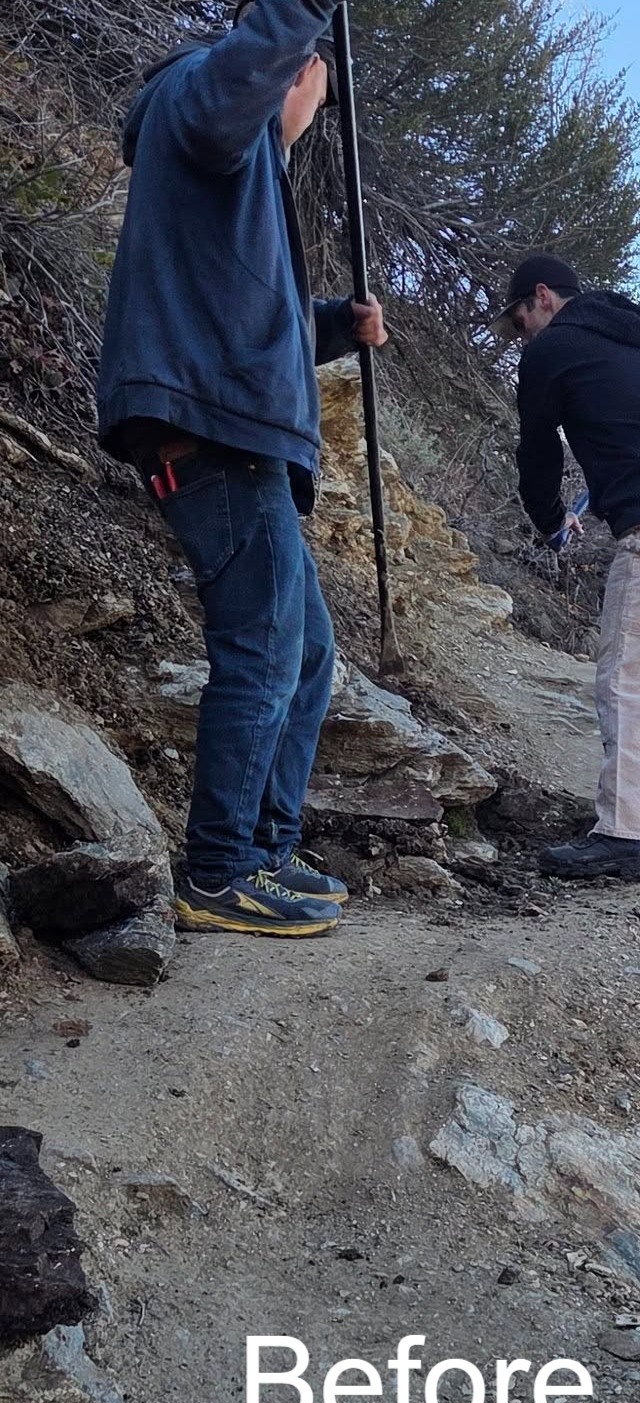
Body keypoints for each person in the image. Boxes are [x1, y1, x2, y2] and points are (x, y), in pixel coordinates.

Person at [96, 0, 388, 936]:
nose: (312, 108)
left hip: (235, 429)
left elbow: (248, 317)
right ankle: (218, 871)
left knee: (305, 652)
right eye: (316, 87)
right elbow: (244, 70)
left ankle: (262, 850)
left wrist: (338, 325)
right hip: (212, 436)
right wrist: (296, 23)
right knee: (261, 650)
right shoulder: (206, 98)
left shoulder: (232, 170)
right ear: (292, 68)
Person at [499, 253, 640, 880]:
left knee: (627, 681)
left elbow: (538, 452)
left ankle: (627, 834)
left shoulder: (552, 351)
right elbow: (638, 432)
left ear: (543, 297)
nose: (522, 336)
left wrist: (549, 521)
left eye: (520, 321)